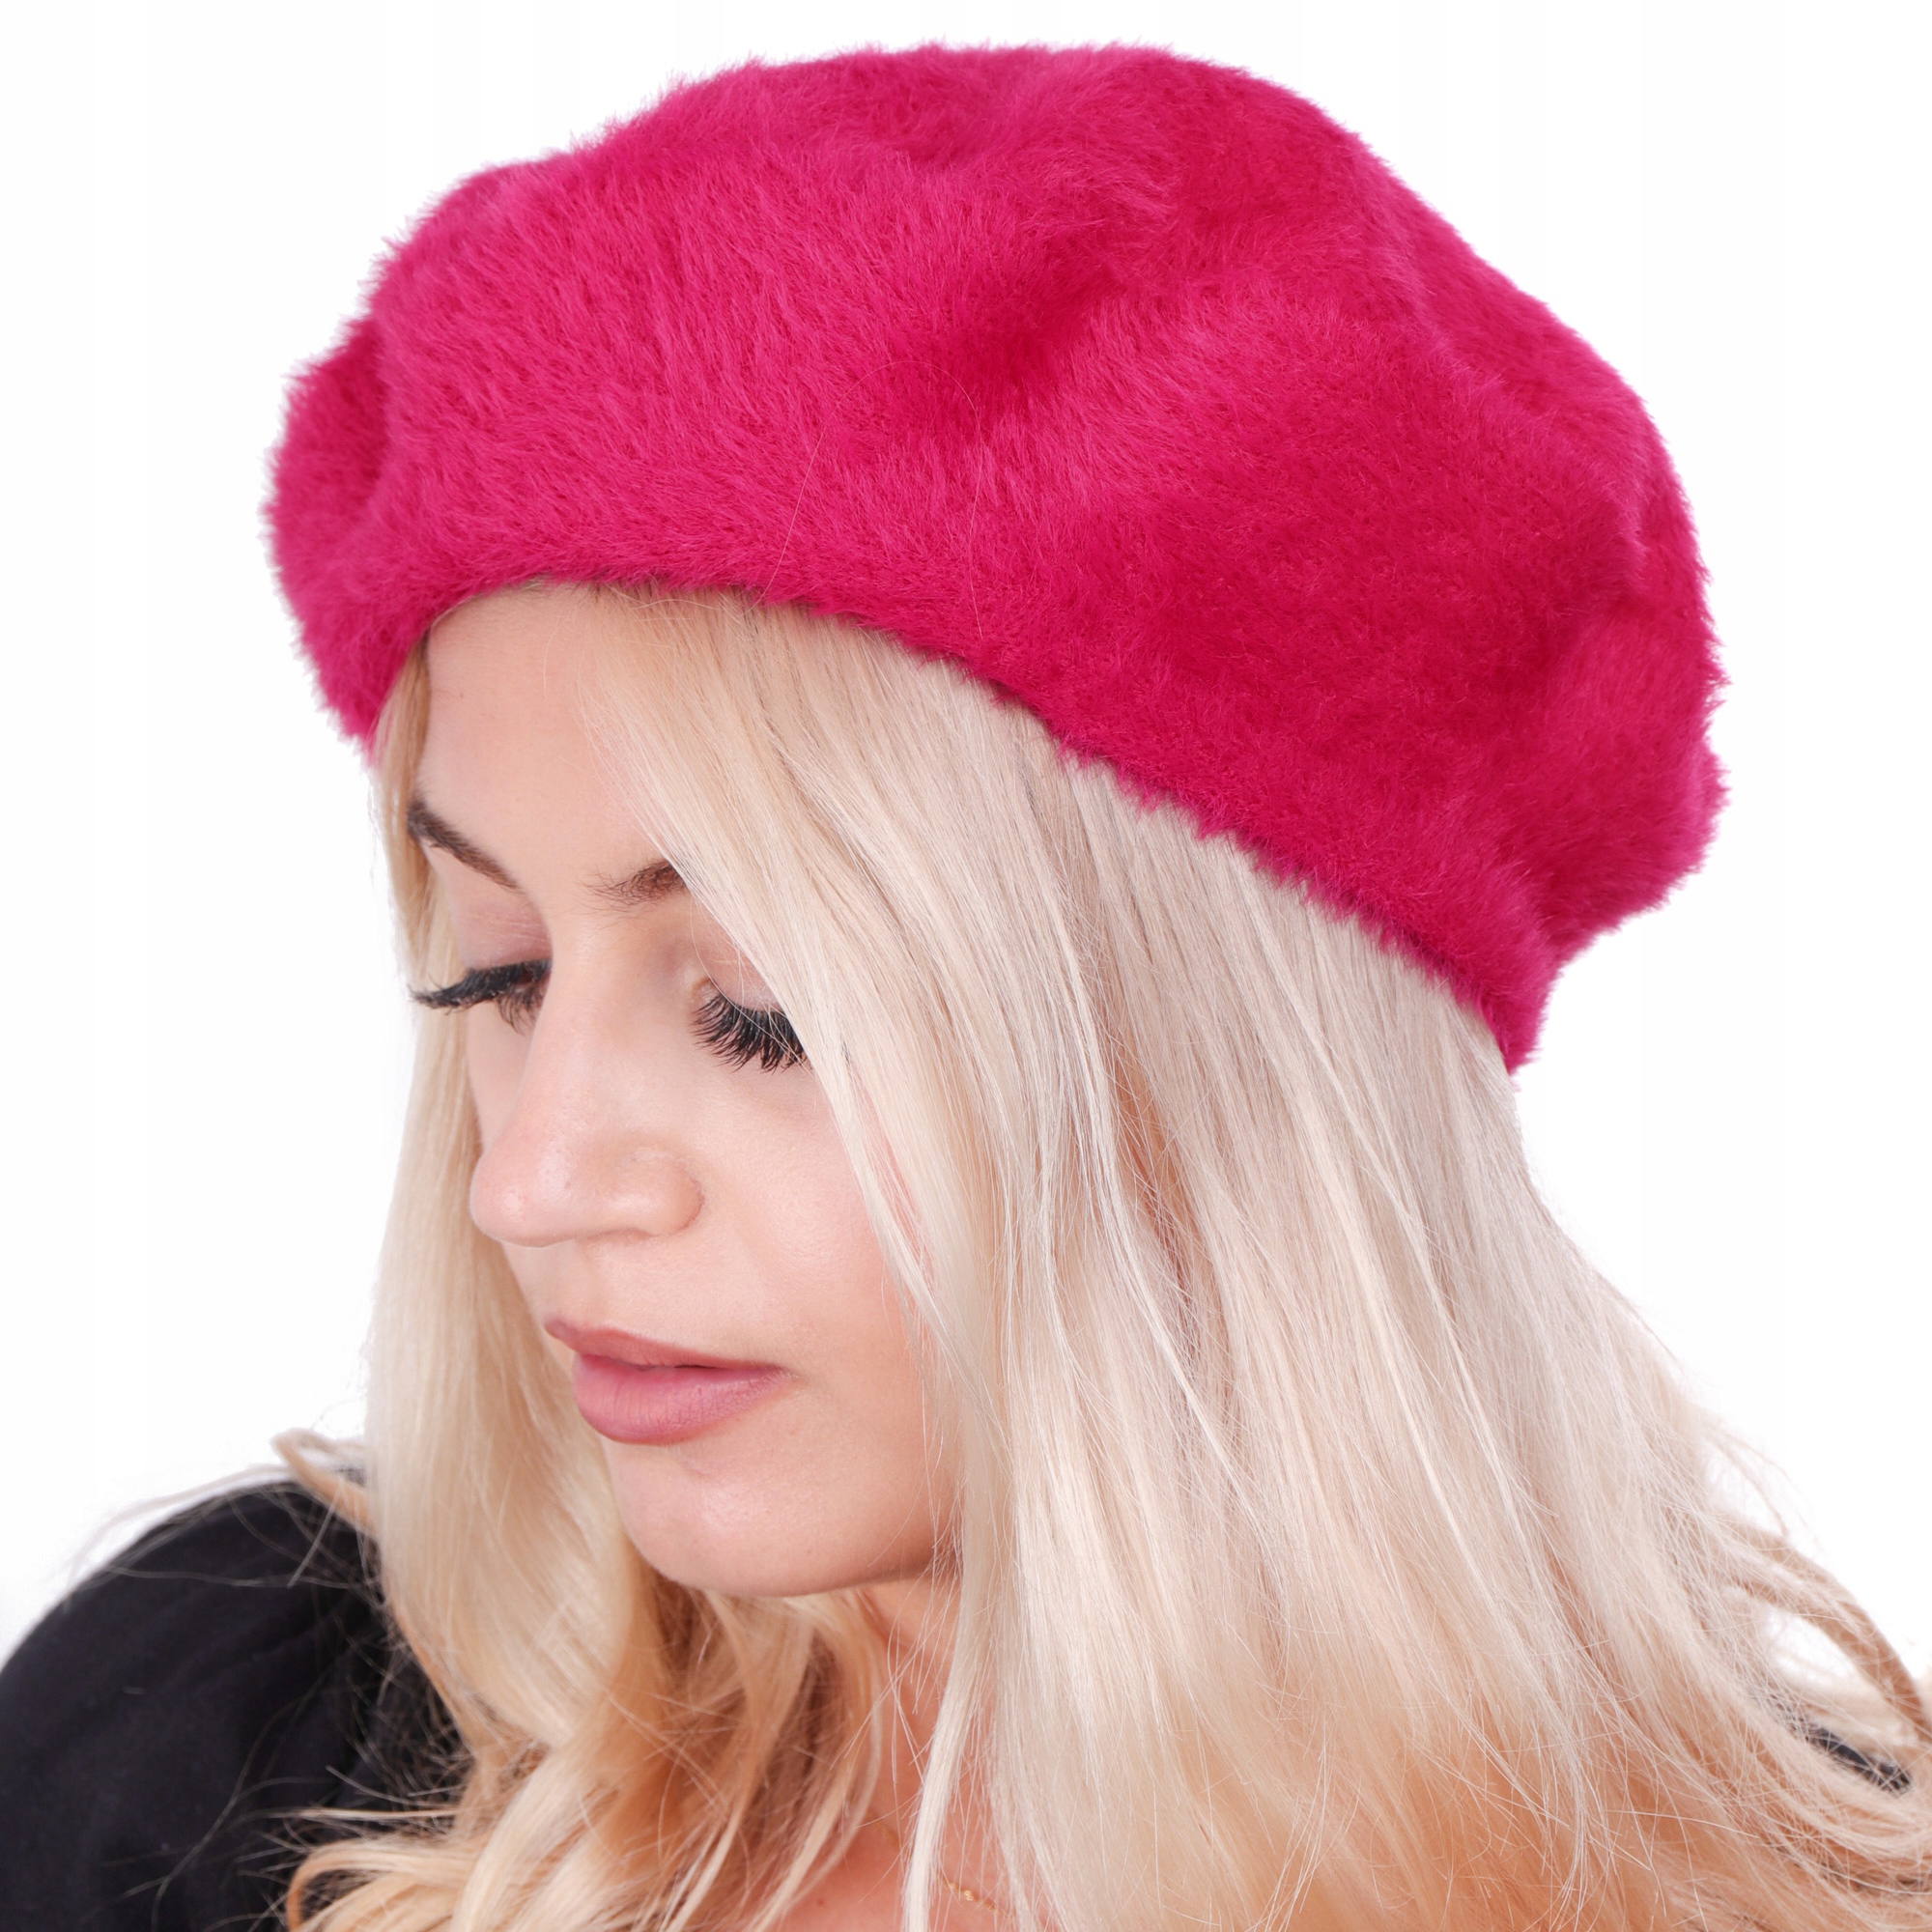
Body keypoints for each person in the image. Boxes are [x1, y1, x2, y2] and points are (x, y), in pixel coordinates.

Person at [2, 42, 1926, 1932]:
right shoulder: (209, 1755)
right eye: (498, 977)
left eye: (757, 1010)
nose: (531, 1181)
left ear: (1239, 1066)